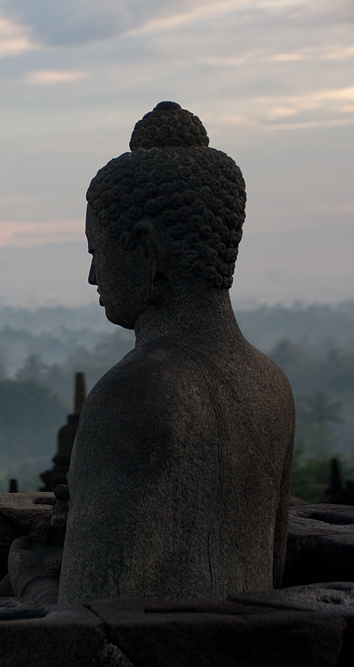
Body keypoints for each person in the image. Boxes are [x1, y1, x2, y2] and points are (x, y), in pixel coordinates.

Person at [57, 102, 294, 604]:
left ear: (146, 248)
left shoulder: (134, 396)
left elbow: (89, 632)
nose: (94, 277)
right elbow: (272, 573)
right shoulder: (271, 384)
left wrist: (35, 572)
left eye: (97, 252)